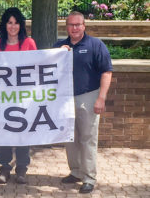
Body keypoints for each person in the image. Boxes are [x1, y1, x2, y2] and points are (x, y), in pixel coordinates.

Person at [53, 11, 113, 193]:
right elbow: (48, 69)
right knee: (70, 138)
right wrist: (57, 55)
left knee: (87, 138)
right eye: (71, 25)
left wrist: (101, 98)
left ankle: (89, 177)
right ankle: (76, 171)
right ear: (67, 27)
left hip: (89, 96)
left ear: (84, 26)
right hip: (65, 98)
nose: (75, 28)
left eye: (78, 24)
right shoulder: (59, 46)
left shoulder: (96, 45)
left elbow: (106, 72)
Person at [0, 7, 37, 184]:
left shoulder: (29, 43)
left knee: (23, 133)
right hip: (3, 98)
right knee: (4, 132)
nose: (13, 26)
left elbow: (38, 66)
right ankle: (4, 168)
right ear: (4, 25)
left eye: (16, 22)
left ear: (21, 25)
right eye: (9, 22)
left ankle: (22, 169)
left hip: (24, 97)